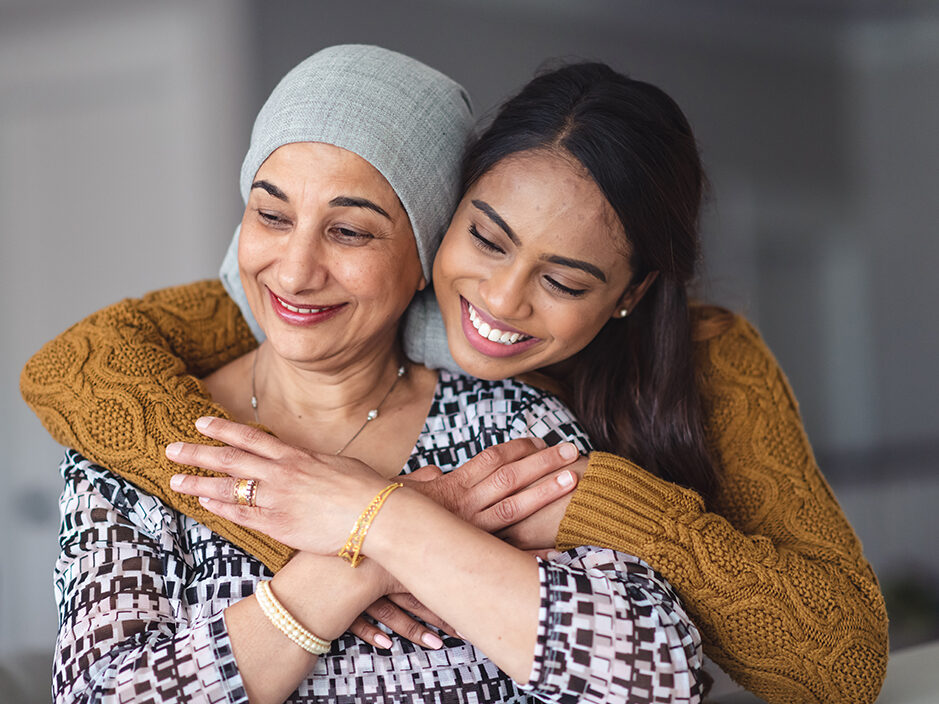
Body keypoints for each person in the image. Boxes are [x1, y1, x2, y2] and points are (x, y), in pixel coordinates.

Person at [20, 56, 887, 703]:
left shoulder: (525, 417)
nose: (500, 300)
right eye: (270, 211)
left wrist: (388, 520)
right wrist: (345, 566)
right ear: (450, 234)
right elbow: (79, 367)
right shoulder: (148, 415)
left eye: (565, 279)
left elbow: (676, 674)